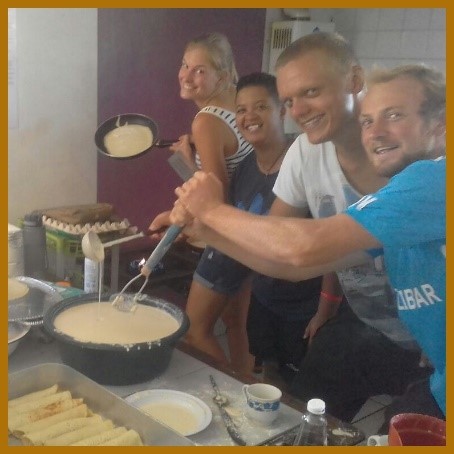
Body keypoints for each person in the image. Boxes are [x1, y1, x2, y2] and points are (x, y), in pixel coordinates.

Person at [169, 63, 446, 425]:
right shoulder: (398, 196)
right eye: (367, 121)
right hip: (426, 360)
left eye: (394, 115)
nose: (375, 132)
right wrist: (208, 232)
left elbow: (304, 246)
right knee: (312, 404)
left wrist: (211, 209)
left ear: (440, 125)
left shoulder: (436, 178)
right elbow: (294, 265)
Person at [194, 72, 322, 386]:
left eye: (261, 107)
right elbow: (243, 232)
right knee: (269, 377)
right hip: (264, 298)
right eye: (241, 110)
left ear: (282, 110)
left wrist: (326, 307)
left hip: (303, 307)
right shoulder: (246, 168)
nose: (249, 116)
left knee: (299, 389)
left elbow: (327, 239)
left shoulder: (304, 164)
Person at [149, 32, 254, 373]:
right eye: (185, 65)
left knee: (195, 330)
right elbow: (231, 175)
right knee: (236, 324)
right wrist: (192, 154)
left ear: (221, 76)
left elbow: (214, 199)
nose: (187, 75)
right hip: (251, 229)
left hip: (226, 238)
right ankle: (251, 390)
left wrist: (184, 162)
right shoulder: (240, 104)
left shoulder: (206, 120)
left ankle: (233, 393)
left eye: (200, 70)